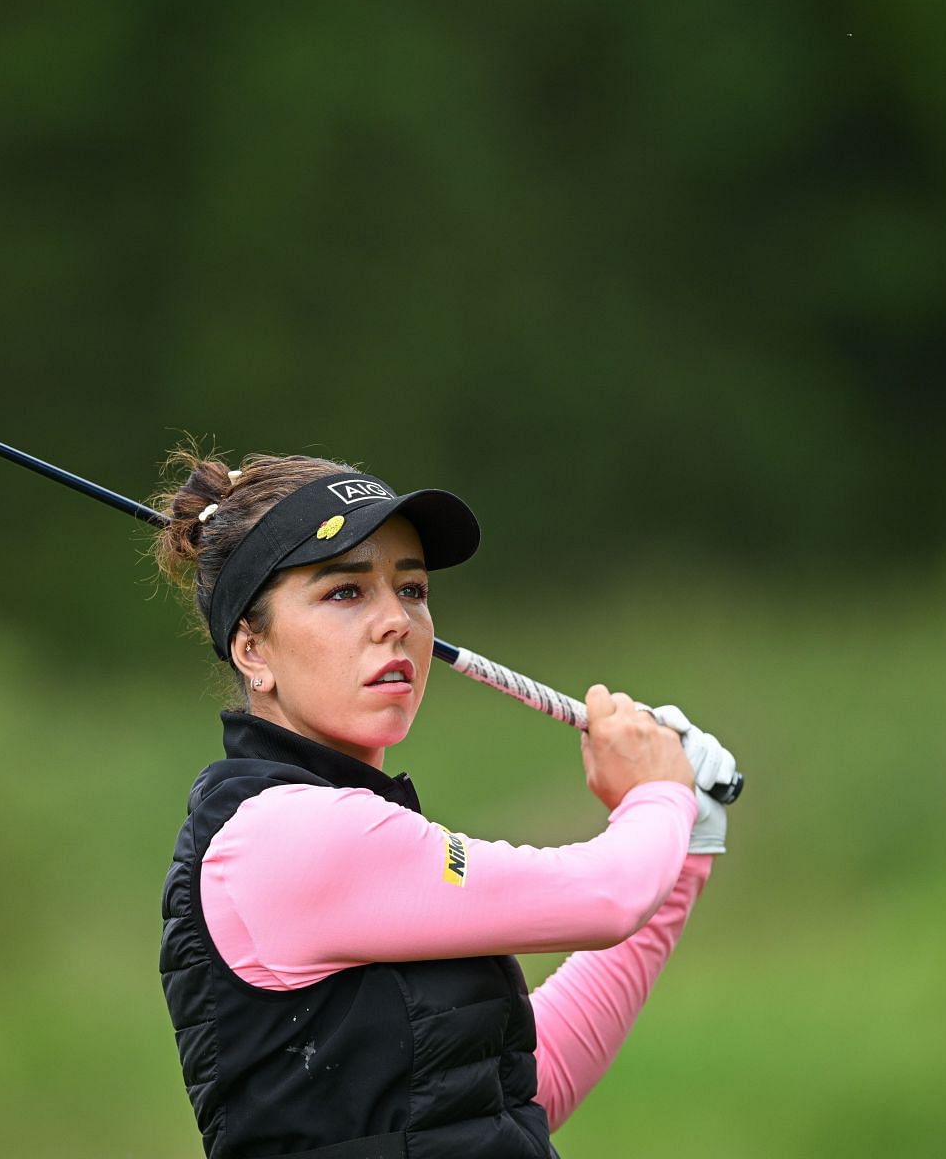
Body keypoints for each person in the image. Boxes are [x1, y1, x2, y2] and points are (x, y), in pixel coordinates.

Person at [152, 449, 737, 1159]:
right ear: (253, 649)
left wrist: (686, 847)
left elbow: (517, 1094)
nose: (396, 620)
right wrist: (657, 794)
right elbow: (609, 895)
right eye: (346, 592)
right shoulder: (284, 832)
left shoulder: (347, 825)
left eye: (413, 590)